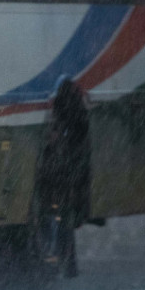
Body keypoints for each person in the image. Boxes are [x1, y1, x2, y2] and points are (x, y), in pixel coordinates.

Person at [34, 75, 91, 278]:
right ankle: (69, 266)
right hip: (70, 179)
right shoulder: (79, 119)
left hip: (60, 178)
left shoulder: (64, 120)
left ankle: (61, 264)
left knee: (57, 221)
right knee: (65, 222)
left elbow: (56, 150)